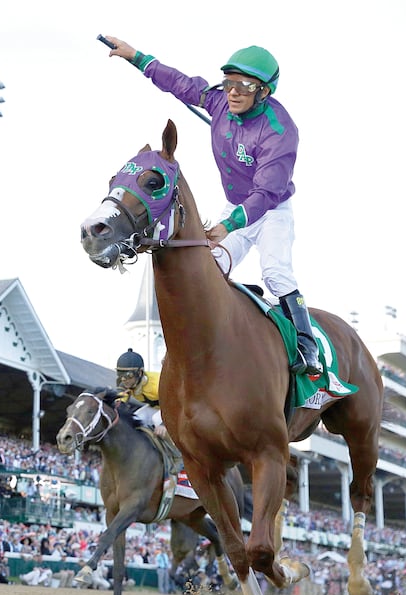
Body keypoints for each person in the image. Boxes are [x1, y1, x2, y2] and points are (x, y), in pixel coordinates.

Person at [103, 37, 322, 376]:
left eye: (244, 85)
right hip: (235, 205)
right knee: (209, 264)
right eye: (229, 82)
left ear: (264, 92)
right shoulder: (219, 101)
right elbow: (180, 84)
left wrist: (229, 224)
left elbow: (265, 193)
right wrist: (136, 57)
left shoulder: (281, 132)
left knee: (275, 272)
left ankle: (308, 345)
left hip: (271, 211)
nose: (233, 92)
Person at [114, 348, 166, 437]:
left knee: (157, 419)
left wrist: (164, 424)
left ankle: (176, 448)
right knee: (135, 419)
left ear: (140, 373)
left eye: (128, 375)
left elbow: (175, 403)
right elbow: (119, 405)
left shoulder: (157, 384)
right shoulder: (125, 385)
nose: (124, 379)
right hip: (156, 408)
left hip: (172, 408)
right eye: (120, 374)